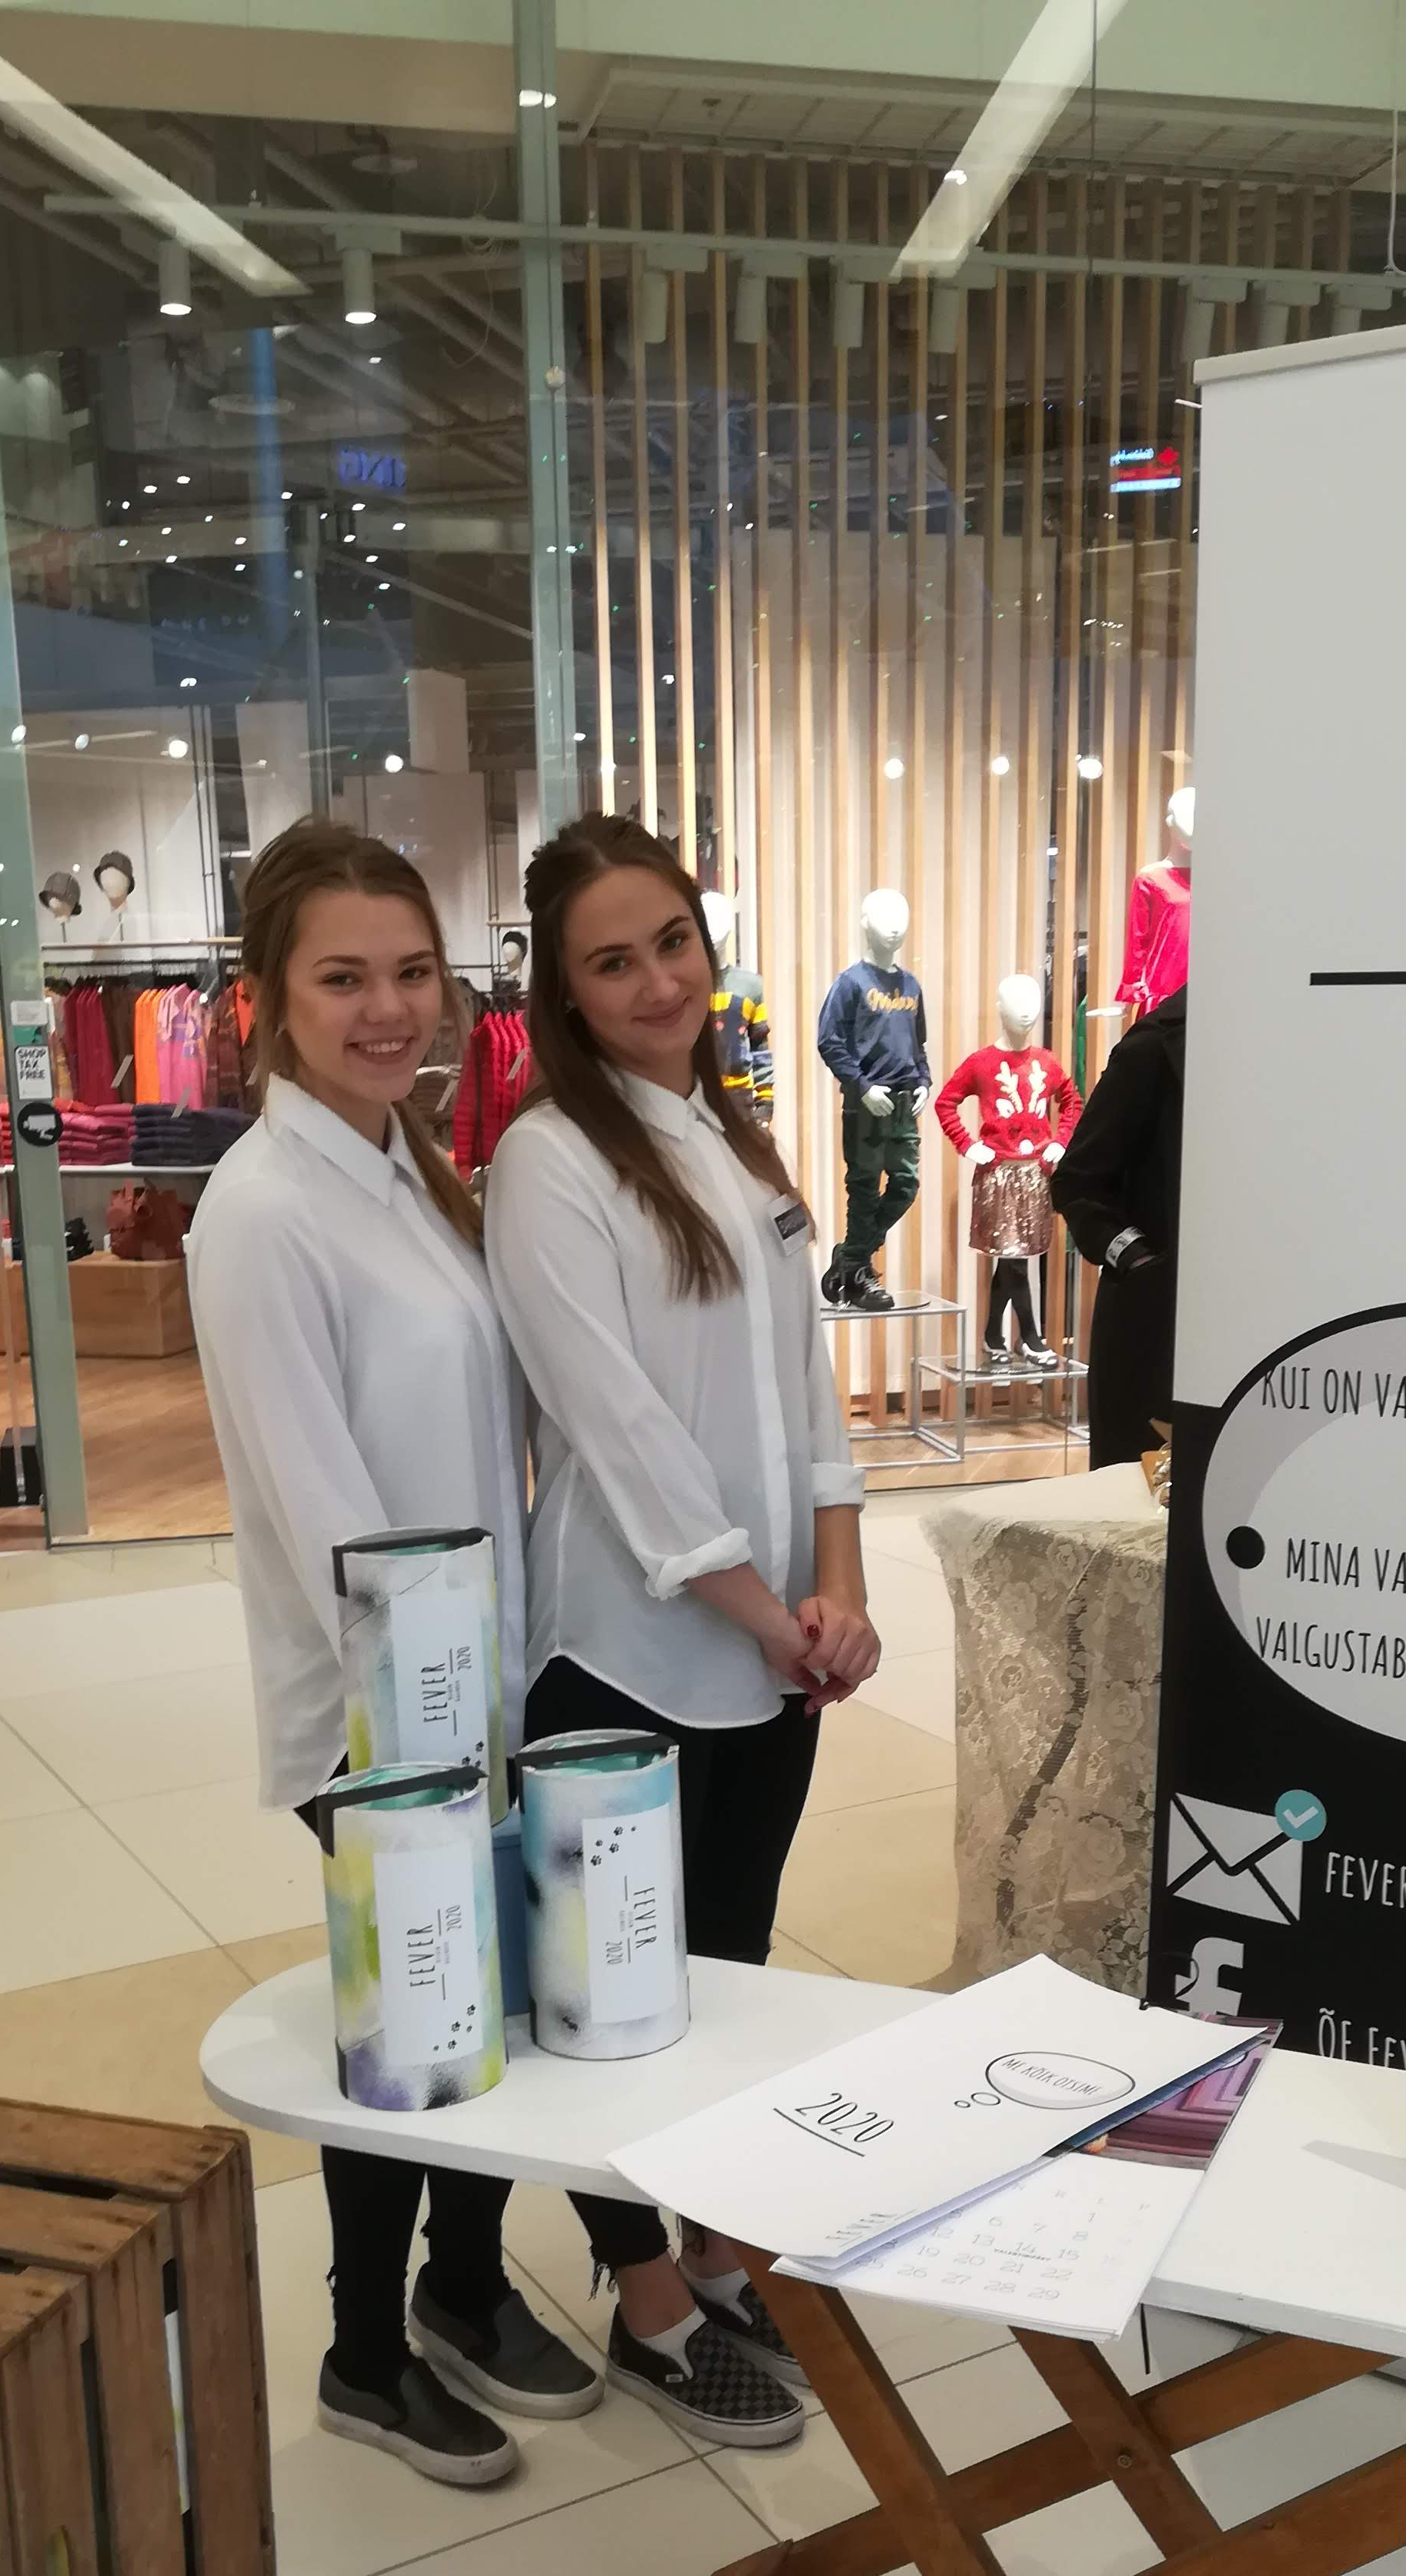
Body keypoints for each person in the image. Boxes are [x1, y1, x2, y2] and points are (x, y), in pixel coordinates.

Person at [186, 820, 601, 2488]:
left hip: (473, 1682)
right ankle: (365, 2353)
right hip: (383, 1709)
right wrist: (428, 1742)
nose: (387, 1009)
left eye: (413, 972)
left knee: (473, 2009)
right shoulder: (264, 1209)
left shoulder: (412, 1165)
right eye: (344, 977)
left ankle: (464, 2285)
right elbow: (323, 1509)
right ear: (267, 1000)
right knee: (411, 2031)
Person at [485, 814, 883, 2448]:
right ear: (566, 993)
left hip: (772, 1644)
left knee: (729, 1964)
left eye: (673, 942)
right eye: (614, 960)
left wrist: (842, 1585)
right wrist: (768, 1613)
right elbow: (624, 1434)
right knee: (613, 1994)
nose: (658, 981)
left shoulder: (738, 1134)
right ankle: (645, 2294)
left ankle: (718, 2246)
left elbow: (808, 1392)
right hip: (627, 1649)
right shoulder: (549, 1163)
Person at [1050, 982, 1185, 1490]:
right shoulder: (1155, 1045)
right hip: (1157, 1332)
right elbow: (1078, 1182)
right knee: (1138, 1509)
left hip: (1262, 1332)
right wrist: (1140, 1260)